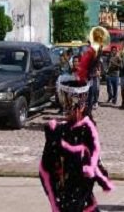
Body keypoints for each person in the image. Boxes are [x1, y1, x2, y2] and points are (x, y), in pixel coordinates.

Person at [39, 77, 114, 211]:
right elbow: (46, 168)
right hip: (66, 194)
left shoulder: (87, 129)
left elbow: (94, 158)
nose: (74, 111)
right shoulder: (57, 132)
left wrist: (99, 173)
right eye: (71, 107)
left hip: (81, 193)